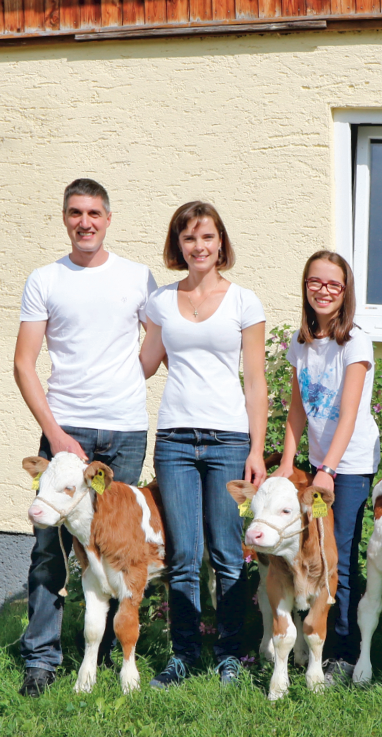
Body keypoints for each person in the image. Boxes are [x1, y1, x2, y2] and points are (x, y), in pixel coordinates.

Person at [14, 178, 158, 698]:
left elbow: (156, 344)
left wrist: (122, 382)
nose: (85, 222)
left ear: (109, 218)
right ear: (64, 217)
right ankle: (41, 658)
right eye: (76, 212)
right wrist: (56, 435)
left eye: (95, 212)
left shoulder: (138, 278)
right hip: (65, 430)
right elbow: (24, 364)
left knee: (117, 546)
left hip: (123, 430)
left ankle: (116, 649)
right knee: (50, 548)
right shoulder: (46, 279)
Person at [139, 201, 267, 689]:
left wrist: (256, 450)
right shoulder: (161, 304)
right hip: (174, 439)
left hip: (229, 439)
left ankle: (229, 655)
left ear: (221, 244)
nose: (199, 246)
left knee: (228, 553)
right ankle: (183, 654)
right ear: (179, 245)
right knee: (184, 554)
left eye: (207, 237)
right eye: (189, 238)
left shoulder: (243, 302)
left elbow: (255, 382)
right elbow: (145, 364)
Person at [272, 250, 380, 685]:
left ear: (345, 292)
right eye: (316, 282)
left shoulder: (355, 341)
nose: (324, 290)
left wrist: (329, 470)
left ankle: (342, 653)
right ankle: (314, 640)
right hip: (319, 464)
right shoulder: (301, 343)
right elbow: (297, 409)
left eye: (334, 284)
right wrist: (285, 464)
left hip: (348, 466)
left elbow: (349, 413)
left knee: (337, 555)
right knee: (311, 550)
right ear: (305, 286)